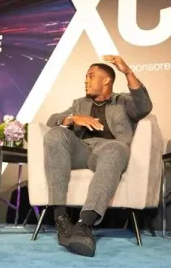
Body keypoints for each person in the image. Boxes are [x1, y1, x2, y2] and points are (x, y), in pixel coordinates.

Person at [43, 55, 153, 257]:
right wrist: (72, 118)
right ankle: (61, 219)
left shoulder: (123, 101)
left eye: (91, 76)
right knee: (55, 133)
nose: (86, 81)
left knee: (116, 149)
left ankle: (84, 225)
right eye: (86, 77)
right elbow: (52, 120)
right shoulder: (79, 104)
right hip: (82, 149)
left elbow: (144, 107)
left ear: (106, 80)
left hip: (109, 150)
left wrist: (128, 72)